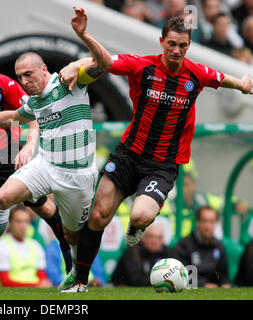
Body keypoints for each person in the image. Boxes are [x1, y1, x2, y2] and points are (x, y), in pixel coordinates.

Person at [57, 6, 253, 292]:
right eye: (171, 44)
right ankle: (79, 282)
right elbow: (106, 61)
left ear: (188, 46)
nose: (176, 50)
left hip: (162, 165)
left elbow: (223, 79)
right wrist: (83, 39)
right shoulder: (142, 66)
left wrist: (244, 85)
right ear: (161, 42)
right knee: (98, 216)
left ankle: (138, 227)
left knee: (139, 215)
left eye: (182, 46)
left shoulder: (195, 74)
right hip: (127, 155)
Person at [0, 50, 99, 292]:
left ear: (44, 69)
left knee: (73, 236)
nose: (24, 82)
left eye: (28, 74)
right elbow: (13, 116)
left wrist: (77, 58)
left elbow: (102, 62)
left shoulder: (71, 82)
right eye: (20, 77)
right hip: (47, 164)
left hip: (77, 174)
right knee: (1, 199)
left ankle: (78, 277)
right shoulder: (34, 101)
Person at [0, 205, 52, 287]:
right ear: (10, 223)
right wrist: (36, 285)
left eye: (26, 221)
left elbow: (42, 276)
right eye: (18, 221)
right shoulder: (1, 245)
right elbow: (4, 281)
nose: (22, 226)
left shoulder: (35, 245)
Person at [174, 206, 230, 287]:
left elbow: (223, 275)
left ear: (216, 223)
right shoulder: (184, 245)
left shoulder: (219, 246)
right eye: (204, 221)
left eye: (211, 221)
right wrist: (203, 284)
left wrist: (225, 284)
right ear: (197, 222)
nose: (207, 226)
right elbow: (181, 276)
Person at [111, 220, 173, 286]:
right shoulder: (133, 252)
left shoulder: (167, 252)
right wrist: (163, 280)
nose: (155, 241)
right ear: (143, 237)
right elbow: (136, 280)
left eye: (159, 237)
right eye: (152, 236)